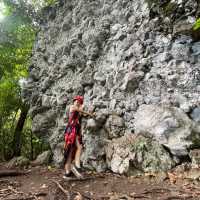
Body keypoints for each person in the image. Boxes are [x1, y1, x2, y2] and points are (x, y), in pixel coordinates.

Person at [63, 95, 94, 179]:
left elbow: (80, 115)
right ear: (74, 101)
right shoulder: (72, 107)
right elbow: (81, 111)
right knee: (70, 150)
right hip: (70, 130)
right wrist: (90, 114)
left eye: (79, 101)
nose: (77, 102)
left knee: (76, 148)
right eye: (76, 100)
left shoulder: (78, 110)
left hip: (75, 130)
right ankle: (69, 170)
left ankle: (74, 166)